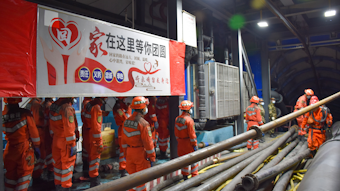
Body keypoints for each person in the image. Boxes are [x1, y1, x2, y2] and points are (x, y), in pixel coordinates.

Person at [3, 98, 41, 191]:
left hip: (9, 150)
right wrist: (37, 146)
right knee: (24, 177)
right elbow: (34, 133)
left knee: (10, 178)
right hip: (24, 151)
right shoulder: (25, 114)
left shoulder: (3, 115)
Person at [121, 96, 156, 191]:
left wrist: (125, 154)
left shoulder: (126, 122)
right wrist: (152, 157)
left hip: (129, 153)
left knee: (131, 180)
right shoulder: (144, 124)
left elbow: (123, 141)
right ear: (142, 108)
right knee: (141, 181)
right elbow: (148, 143)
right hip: (140, 154)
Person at [50, 98, 77, 191]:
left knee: (57, 165)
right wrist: (72, 144)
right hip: (65, 142)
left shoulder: (54, 106)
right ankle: (66, 187)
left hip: (56, 139)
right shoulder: (67, 108)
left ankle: (58, 186)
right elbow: (69, 129)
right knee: (67, 165)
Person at [83, 97, 108, 187]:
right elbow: (97, 128)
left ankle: (89, 175)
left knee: (90, 156)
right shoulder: (97, 107)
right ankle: (95, 182)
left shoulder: (88, 104)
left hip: (87, 132)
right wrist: (99, 143)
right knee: (95, 159)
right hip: (93, 136)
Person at [174, 100, 198, 180]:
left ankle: (185, 177)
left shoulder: (177, 119)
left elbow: (176, 132)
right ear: (188, 109)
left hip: (180, 143)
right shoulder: (189, 120)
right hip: (188, 143)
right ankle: (195, 177)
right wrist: (194, 144)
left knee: (184, 161)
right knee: (193, 160)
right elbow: (192, 135)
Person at [26, 98, 46, 184]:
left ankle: (35, 175)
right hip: (38, 132)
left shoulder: (28, 105)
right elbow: (39, 120)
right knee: (40, 156)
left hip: (29, 133)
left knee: (34, 156)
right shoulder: (37, 106)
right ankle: (37, 176)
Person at [112, 97, 131, 177]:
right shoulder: (118, 107)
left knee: (127, 150)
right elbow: (125, 119)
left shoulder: (124, 106)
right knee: (123, 150)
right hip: (123, 130)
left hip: (127, 129)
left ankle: (126, 167)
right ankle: (123, 169)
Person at [41, 98, 54, 180]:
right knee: (50, 151)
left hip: (45, 131)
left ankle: (48, 169)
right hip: (49, 132)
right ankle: (50, 170)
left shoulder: (43, 105)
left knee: (47, 151)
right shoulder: (50, 106)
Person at [81, 97, 93, 177]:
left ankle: (85, 167)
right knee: (91, 151)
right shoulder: (90, 104)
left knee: (85, 149)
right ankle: (90, 172)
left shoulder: (85, 103)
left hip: (85, 128)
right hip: (90, 130)